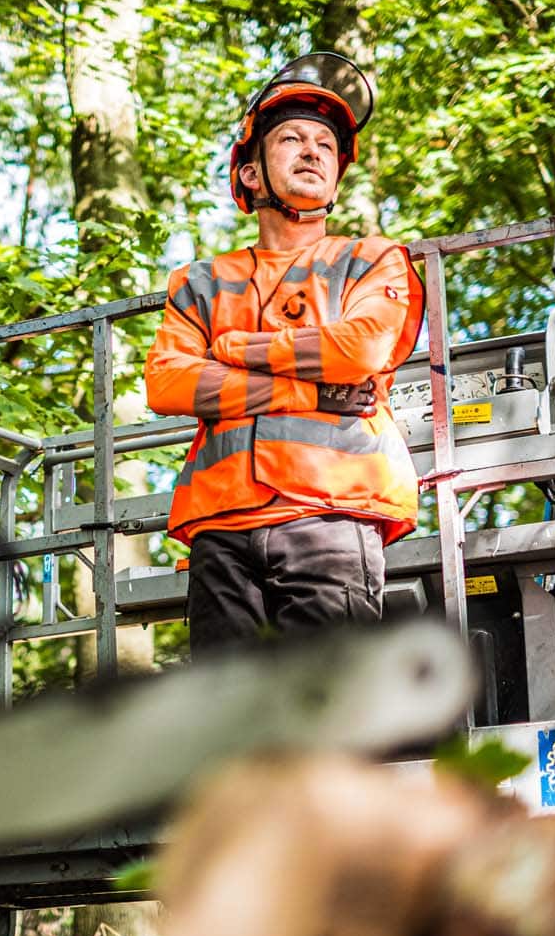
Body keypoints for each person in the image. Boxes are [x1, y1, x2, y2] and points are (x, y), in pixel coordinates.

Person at [144, 52, 424, 654]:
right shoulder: (201, 280)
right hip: (222, 528)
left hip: (333, 514)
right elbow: (167, 383)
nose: (313, 151)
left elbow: (359, 350)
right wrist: (307, 389)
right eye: (293, 138)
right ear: (250, 174)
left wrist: (240, 349)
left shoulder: (371, 259)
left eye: (325, 144)